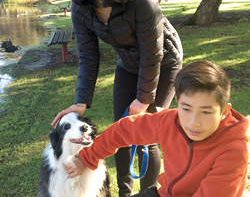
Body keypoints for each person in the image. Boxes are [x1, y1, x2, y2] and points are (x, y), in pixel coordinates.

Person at [51, 0, 183, 197]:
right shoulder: (80, 6)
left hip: (163, 62)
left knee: (147, 132)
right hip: (128, 63)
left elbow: (152, 54)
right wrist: (81, 100)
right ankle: (125, 193)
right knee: (120, 131)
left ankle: (148, 192)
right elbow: (88, 57)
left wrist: (143, 99)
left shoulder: (141, 0)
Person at [64, 60, 249, 197]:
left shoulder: (233, 150)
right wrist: (87, 157)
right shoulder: (170, 121)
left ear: (224, 111)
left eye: (206, 112)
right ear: (177, 103)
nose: (193, 122)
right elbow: (125, 129)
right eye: (186, 109)